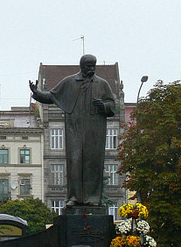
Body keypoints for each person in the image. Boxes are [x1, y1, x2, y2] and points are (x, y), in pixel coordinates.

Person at [30, 54, 117, 206]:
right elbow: (52, 96)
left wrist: (102, 106)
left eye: (93, 65)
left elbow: (112, 106)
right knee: (74, 162)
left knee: (93, 163)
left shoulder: (102, 84)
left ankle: (93, 199)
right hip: (75, 129)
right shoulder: (70, 82)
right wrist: (37, 93)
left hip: (95, 130)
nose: (91, 68)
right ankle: (74, 198)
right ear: (81, 66)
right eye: (88, 66)